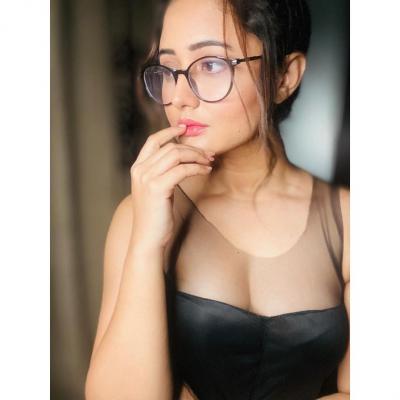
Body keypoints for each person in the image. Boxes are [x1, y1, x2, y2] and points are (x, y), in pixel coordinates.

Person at [85, 0, 350, 399]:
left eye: (210, 65)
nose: (178, 97)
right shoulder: (142, 214)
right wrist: (147, 245)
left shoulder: (351, 220)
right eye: (168, 69)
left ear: (285, 76)